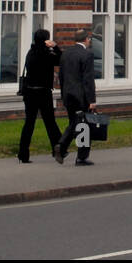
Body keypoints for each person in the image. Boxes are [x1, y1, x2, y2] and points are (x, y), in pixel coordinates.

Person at [18, 29, 62, 163]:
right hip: (43, 92)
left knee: (29, 123)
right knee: (50, 122)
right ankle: (59, 148)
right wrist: (55, 46)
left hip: (29, 92)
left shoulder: (31, 52)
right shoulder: (47, 54)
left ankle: (23, 153)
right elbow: (60, 60)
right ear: (45, 40)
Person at [55, 28, 97, 166]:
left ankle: (62, 148)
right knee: (83, 126)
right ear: (86, 39)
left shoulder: (66, 54)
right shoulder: (87, 55)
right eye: (89, 39)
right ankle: (78, 155)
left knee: (75, 122)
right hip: (81, 96)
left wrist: (63, 93)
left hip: (68, 95)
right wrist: (92, 100)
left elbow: (61, 76)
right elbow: (88, 79)